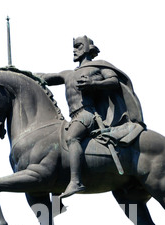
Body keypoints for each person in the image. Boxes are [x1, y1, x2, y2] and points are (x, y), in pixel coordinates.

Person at [38, 36, 145, 198]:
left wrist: (94, 84)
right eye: (73, 47)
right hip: (74, 116)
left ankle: (76, 181)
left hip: (88, 114)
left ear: (88, 48)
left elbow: (113, 81)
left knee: (72, 137)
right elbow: (44, 77)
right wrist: (19, 74)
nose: (74, 50)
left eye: (78, 46)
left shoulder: (98, 67)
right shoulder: (67, 74)